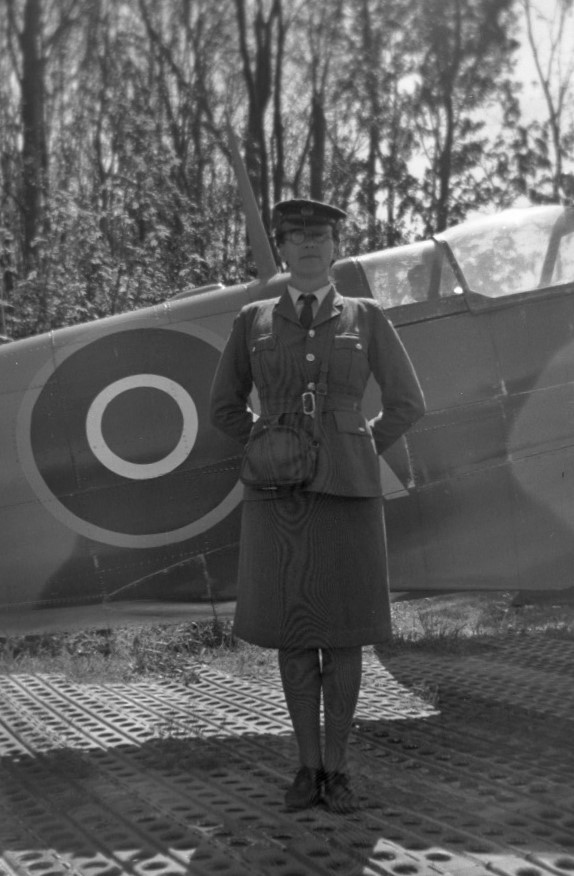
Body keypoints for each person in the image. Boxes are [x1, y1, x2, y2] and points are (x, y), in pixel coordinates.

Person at [210, 198, 425, 814]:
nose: (308, 245)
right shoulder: (252, 320)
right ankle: (306, 770)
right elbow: (224, 408)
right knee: (296, 636)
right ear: (281, 246)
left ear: (336, 247)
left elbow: (408, 403)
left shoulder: (367, 315)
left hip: (351, 495)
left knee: (347, 637)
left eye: (321, 236)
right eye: (296, 235)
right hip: (279, 498)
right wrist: (269, 442)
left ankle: (341, 770)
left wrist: (354, 445)